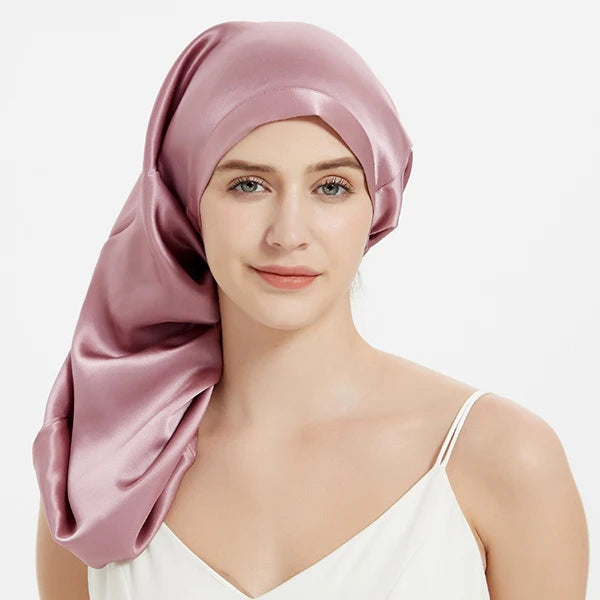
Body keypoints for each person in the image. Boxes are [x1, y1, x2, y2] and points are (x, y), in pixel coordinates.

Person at [34, 21, 589, 600]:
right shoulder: (102, 472)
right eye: (248, 185)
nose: (288, 233)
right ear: (182, 202)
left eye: (331, 187)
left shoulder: (501, 459)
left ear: (377, 205)